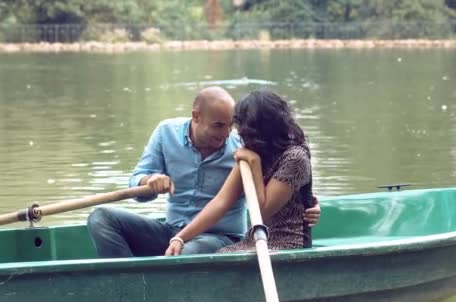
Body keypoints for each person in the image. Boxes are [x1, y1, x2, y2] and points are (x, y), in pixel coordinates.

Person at [87, 86, 320, 257]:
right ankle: (128, 288)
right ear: (196, 117)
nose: (229, 133)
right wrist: (150, 181)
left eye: (232, 126)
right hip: (174, 229)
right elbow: (219, 202)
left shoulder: (244, 147)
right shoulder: (167, 132)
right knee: (101, 217)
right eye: (220, 126)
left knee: (190, 254)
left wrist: (310, 204)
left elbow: (267, 204)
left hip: (220, 237)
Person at [165, 89, 314, 256]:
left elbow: (262, 213)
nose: (238, 134)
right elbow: (220, 203)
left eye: (243, 128)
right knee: (216, 255)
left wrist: (254, 164)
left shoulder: (295, 158)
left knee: (210, 258)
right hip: (253, 241)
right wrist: (179, 238)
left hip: (287, 242)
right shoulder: (252, 151)